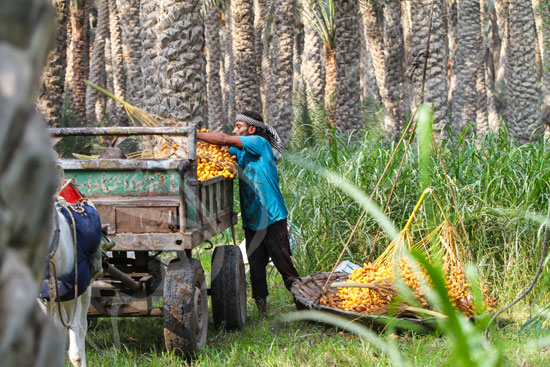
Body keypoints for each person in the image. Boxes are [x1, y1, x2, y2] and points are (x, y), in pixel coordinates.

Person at [197, 111, 300, 318]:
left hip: (272, 216)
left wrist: (194, 134)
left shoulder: (258, 143)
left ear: (251, 129)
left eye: (238, 126)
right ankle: (262, 313)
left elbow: (225, 139)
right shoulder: (241, 151)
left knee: (284, 264)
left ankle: (306, 305)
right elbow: (219, 151)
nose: (234, 131)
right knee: (256, 267)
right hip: (253, 220)